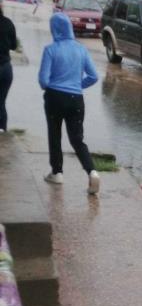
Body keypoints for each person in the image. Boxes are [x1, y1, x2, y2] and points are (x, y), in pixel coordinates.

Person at [38, 13, 100, 195]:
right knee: (77, 139)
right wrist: (76, 85)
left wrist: (54, 86)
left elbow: (43, 80)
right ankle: (92, 171)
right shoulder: (81, 49)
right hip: (76, 99)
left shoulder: (50, 49)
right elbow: (94, 76)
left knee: (54, 134)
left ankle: (57, 173)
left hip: (55, 97)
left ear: (54, 29)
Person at [0, 2, 17, 133]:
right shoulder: (8, 23)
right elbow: (14, 46)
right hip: (6, 68)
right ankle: (2, 131)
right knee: (1, 102)